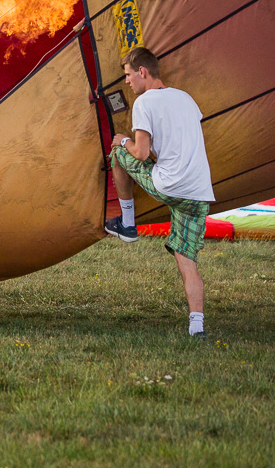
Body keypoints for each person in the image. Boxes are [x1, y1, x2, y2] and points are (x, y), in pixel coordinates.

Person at [105, 47, 215, 338]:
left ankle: (127, 223)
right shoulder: (186, 99)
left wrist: (124, 139)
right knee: (186, 260)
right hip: (199, 194)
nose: (127, 82)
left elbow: (140, 154)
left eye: (128, 75)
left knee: (118, 154)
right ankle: (197, 327)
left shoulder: (144, 103)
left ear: (142, 72)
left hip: (170, 187)